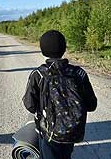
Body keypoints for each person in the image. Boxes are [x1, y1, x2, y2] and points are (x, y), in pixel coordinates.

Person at [22, 30, 97, 159]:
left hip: (49, 134)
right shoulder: (79, 73)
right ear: (64, 48)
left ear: (42, 49)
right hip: (73, 132)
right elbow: (92, 105)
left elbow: (30, 105)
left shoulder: (38, 74)